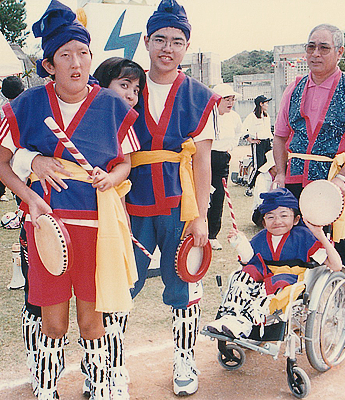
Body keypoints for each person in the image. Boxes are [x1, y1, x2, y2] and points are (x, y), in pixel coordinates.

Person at [0, 2, 139, 399]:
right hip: (45, 228)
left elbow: (125, 162)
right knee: (52, 321)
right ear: (49, 64)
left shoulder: (112, 106)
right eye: (65, 55)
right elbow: (0, 162)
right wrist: (31, 186)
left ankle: (101, 385)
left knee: (92, 322)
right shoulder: (25, 106)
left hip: (97, 230)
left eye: (83, 53)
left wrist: (111, 176)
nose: (76, 63)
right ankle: (46, 387)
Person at [125, 0, 220, 396]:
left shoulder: (201, 97)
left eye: (176, 41)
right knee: (120, 285)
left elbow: (202, 164)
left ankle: (185, 360)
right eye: (159, 39)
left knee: (184, 285)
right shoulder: (123, 86)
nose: (167, 48)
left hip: (181, 207)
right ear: (146, 41)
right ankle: (110, 365)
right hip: (130, 206)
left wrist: (200, 215)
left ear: (187, 46)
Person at [273, 23, 345, 283]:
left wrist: (343, 178)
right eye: (311, 47)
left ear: (339, 52)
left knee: (337, 246)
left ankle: (342, 297)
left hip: (333, 181)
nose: (315, 54)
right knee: (295, 244)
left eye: (324, 48)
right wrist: (281, 174)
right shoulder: (293, 88)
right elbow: (280, 135)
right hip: (295, 180)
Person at [205, 188, 342, 339]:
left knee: (274, 286)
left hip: (290, 281)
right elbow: (248, 261)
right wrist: (240, 243)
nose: (277, 221)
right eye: (270, 217)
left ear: (296, 219)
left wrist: (319, 234)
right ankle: (230, 317)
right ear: (264, 222)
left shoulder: (304, 237)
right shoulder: (261, 238)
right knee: (242, 276)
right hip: (262, 277)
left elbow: (336, 266)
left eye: (284, 215)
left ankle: (245, 322)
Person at [207, 83, 242, 251]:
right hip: (206, 158)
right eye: (226, 99)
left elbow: (237, 134)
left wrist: (231, 147)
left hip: (222, 158)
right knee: (204, 197)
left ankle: (212, 235)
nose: (230, 102)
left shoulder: (234, 117)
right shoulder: (207, 115)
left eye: (232, 99)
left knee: (219, 197)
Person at [0, 76, 25, 202]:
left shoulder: (0, 114)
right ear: (23, 90)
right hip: (30, 167)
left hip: (10, 166)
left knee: (21, 204)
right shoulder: (30, 108)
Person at [242, 94, 273, 196]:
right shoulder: (252, 116)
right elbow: (244, 128)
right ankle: (250, 187)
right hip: (258, 143)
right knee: (257, 165)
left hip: (267, 143)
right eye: (266, 103)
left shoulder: (266, 116)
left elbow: (267, 130)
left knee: (268, 165)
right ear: (261, 104)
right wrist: (250, 139)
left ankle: (264, 186)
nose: (267, 105)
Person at [251, 150, 276, 227]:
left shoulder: (282, 177)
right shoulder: (262, 177)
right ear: (272, 167)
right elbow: (261, 198)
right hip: (261, 210)